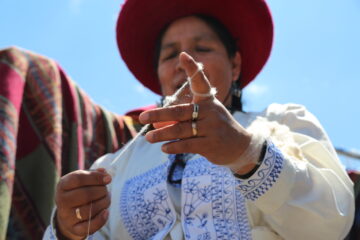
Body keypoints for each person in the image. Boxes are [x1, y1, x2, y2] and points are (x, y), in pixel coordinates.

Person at [43, 0, 355, 239]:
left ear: (234, 65)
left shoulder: (285, 123)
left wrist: (247, 155)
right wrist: (67, 228)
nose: (184, 63)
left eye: (202, 48)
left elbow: (332, 223)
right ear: (159, 76)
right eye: (169, 56)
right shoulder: (112, 167)